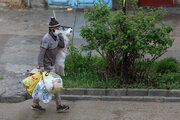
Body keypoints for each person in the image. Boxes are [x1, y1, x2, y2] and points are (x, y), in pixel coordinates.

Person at [31, 17, 70, 112]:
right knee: (55, 85)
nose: (59, 30)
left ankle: (35, 104)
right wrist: (41, 67)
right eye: (58, 29)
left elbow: (62, 45)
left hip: (52, 65)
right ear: (52, 29)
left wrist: (61, 35)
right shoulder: (46, 39)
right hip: (47, 67)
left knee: (43, 86)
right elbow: (41, 55)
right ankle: (59, 106)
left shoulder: (56, 36)